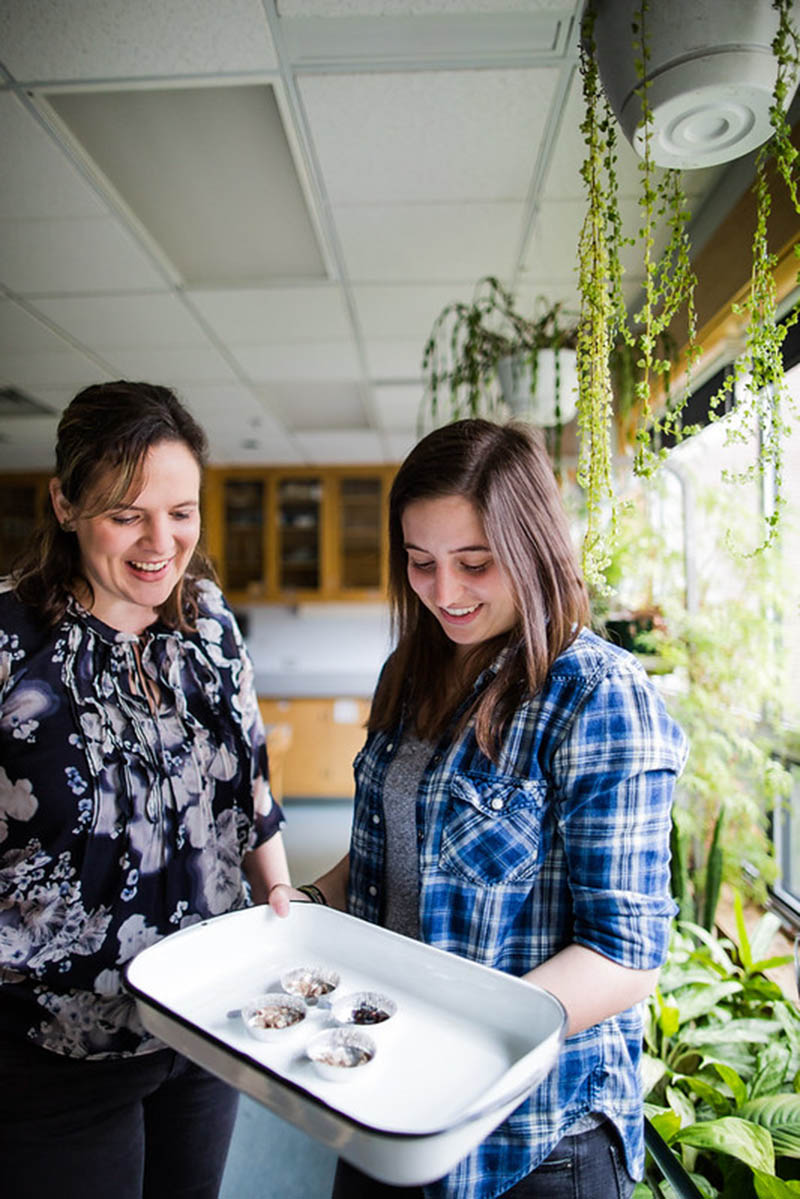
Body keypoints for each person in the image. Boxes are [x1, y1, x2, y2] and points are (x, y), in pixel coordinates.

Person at [276, 418, 688, 1199]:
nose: (445, 592)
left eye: (475, 562)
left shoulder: (597, 696)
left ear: (534, 547)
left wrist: (459, 1037)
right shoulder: (410, 669)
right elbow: (385, 853)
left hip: (530, 1138)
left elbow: (627, 955)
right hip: (385, 1096)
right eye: (421, 563)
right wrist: (304, 903)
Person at [0, 381, 291, 1199]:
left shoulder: (210, 624)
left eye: (181, 511)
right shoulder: (8, 644)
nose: (160, 542)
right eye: (126, 514)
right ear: (64, 503)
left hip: (205, 1027)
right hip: (58, 1048)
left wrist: (283, 902)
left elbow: (251, 783)